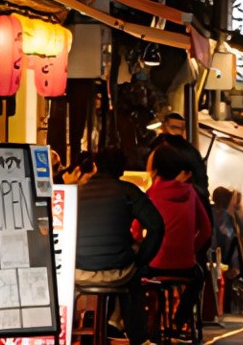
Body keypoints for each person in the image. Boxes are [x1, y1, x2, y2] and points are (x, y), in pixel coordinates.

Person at [75, 147, 165, 345]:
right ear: (122, 170)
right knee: (132, 279)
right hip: (118, 271)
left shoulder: (77, 191)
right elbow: (157, 227)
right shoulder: (128, 191)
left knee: (125, 267)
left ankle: (89, 330)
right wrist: (141, 260)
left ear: (96, 166)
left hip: (78, 271)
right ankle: (139, 337)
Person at [139, 143, 212, 339]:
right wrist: (191, 251)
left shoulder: (151, 194)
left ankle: (150, 326)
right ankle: (178, 322)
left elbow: (136, 231)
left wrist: (143, 250)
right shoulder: (192, 193)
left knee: (141, 280)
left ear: (156, 169)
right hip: (185, 265)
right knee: (198, 277)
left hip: (156, 264)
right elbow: (206, 230)